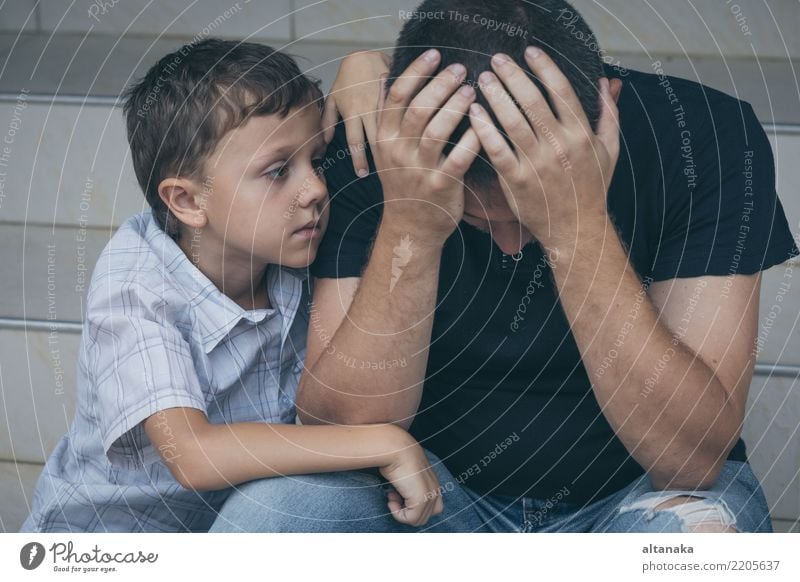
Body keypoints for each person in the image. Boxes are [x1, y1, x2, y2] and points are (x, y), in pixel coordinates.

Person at [210, 0, 799, 532]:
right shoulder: (377, 146)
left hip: (638, 498)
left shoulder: (706, 141)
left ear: (604, 105)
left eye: (527, 205)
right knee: (269, 519)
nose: (512, 242)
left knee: (704, 546)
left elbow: (690, 459)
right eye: (476, 215)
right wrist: (413, 221)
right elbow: (340, 432)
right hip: (429, 494)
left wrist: (575, 225)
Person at [20, 38, 443, 533]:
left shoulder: (287, 250)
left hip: (236, 527)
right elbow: (192, 454)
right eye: (279, 171)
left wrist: (362, 63)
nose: (316, 189)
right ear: (187, 201)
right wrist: (382, 443)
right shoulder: (137, 286)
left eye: (317, 159)